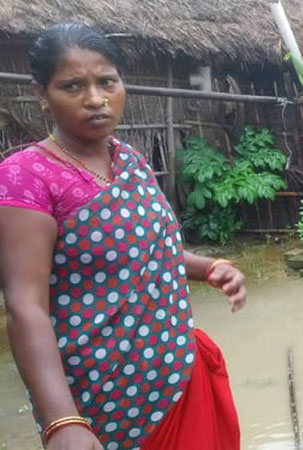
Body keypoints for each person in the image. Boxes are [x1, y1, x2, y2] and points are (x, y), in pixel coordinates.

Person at [0, 24, 245, 450]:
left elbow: (148, 248)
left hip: (175, 373)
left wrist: (210, 267)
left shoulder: (128, 159)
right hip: (102, 400)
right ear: (42, 94)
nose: (95, 99)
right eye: (72, 86)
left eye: (106, 82)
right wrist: (63, 419)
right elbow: (25, 306)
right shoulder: (25, 178)